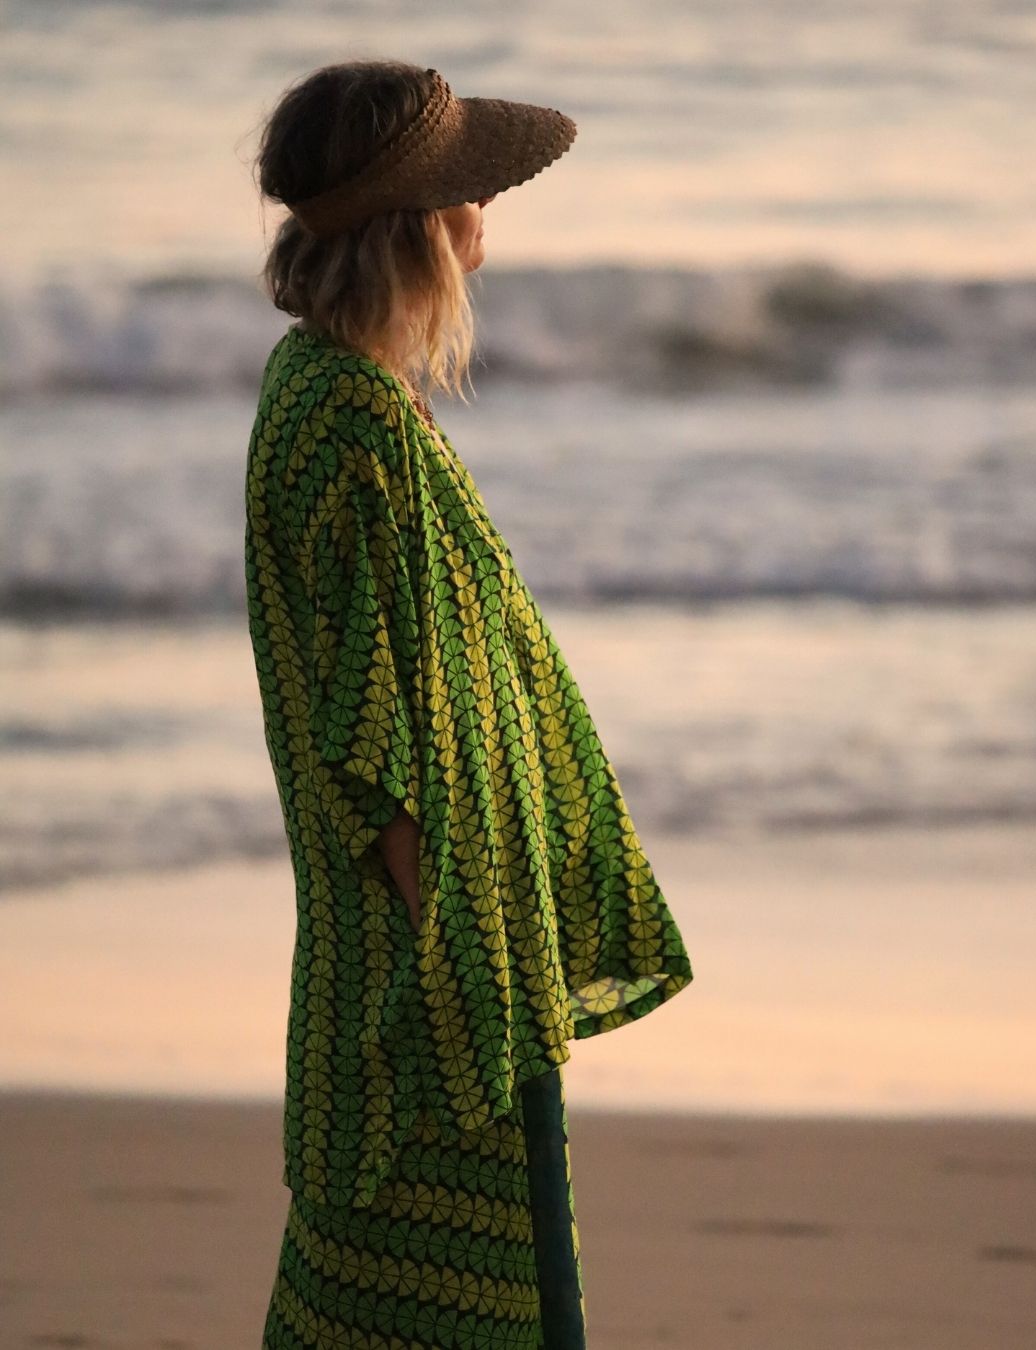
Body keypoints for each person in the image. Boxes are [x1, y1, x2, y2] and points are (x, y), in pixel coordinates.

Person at [246, 58, 695, 1349]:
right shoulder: (356, 424)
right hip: (429, 978)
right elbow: (379, 745)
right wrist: (466, 1000)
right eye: (467, 199)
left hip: (396, 966)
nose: (485, 232)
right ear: (417, 229)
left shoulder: (316, 390)